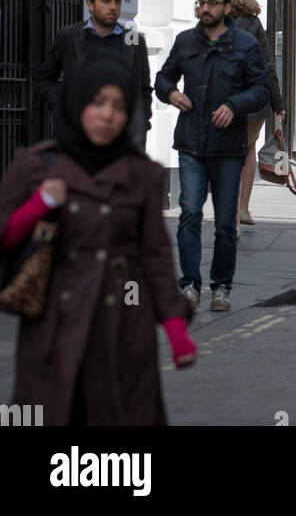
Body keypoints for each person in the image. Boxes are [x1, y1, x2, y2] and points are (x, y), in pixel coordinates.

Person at [0, 57, 196, 425]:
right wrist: (38, 205)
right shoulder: (35, 165)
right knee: (50, 411)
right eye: (97, 102)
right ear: (77, 102)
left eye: (119, 106)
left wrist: (175, 329)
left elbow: (154, 256)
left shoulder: (141, 173)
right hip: (54, 319)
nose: (107, 115)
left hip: (123, 322)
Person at [155, 0, 271, 313]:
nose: (205, 9)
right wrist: (171, 94)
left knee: (224, 222)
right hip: (191, 143)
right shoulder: (186, 41)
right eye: (201, 3)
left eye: (212, 3)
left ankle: (221, 287)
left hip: (228, 146)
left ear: (227, 8)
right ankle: (190, 284)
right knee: (190, 213)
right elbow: (164, 78)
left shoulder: (245, 45)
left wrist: (235, 105)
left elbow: (261, 89)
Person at [34, 0, 152, 147]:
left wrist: (141, 122)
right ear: (90, 4)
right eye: (106, 1)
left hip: (123, 137)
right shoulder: (69, 36)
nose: (113, 7)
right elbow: (45, 77)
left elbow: (144, 88)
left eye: (117, 1)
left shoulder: (133, 39)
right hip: (78, 132)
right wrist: (60, 105)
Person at [222, 0, 285, 226]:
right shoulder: (254, 23)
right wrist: (278, 104)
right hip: (255, 100)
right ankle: (243, 208)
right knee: (248, 151)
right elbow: (268, 66)